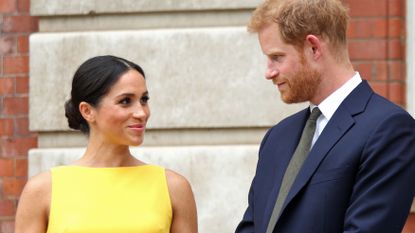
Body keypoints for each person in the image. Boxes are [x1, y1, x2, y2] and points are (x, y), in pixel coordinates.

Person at [235, 0, 415, 233]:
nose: (268, 72)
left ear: (313, 48)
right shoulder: (277, 137)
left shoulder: (389, 130)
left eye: (277, 57)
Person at [15, 55, 198, 233]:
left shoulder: (174, 187)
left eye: (144, 99)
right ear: (87, 111)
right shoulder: (42, 190)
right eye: (125, 101)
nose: (141, 112)